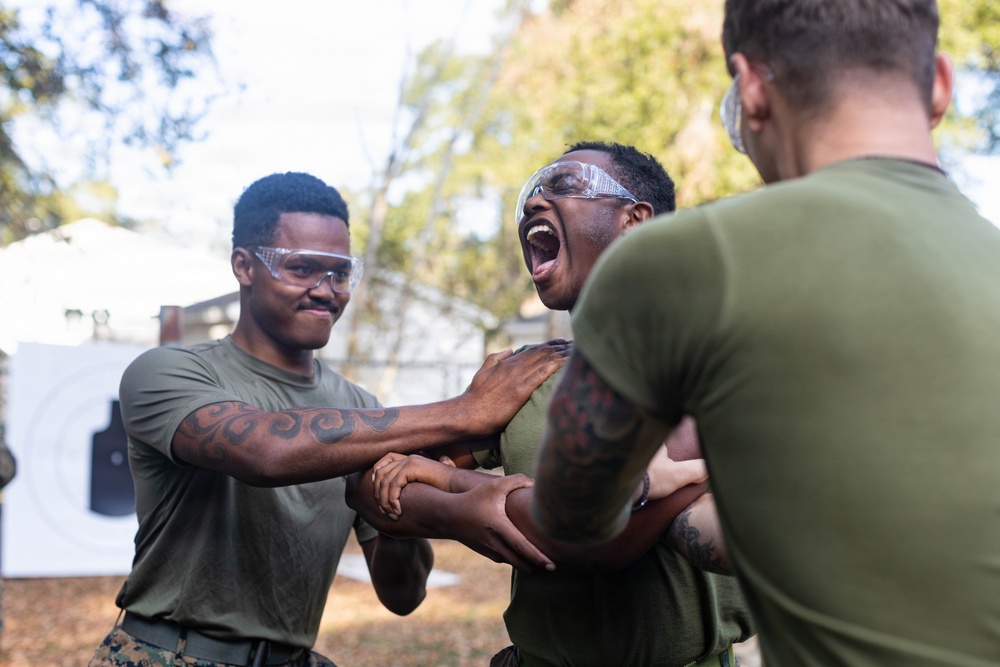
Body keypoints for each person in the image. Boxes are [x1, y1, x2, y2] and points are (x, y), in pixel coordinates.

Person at [530, 2, 1000, 666]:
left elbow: (571, 516)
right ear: (940, 87)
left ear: (750, 88)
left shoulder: (677, 264)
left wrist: (673, 473)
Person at [88, 171, 569, 667]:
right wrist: (466, 412)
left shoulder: (362, 409)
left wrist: (409, 493)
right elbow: (264, 452)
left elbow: (402, 596)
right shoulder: (169, 372)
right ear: (243, 266)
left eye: (339, 274)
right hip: (166, 654)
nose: (326, 290)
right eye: (302, 269)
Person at [346, 143, 754, 667]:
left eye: (564, 184)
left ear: (635, 221)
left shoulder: (714, 360)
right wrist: (467, 502)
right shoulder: (525, 375)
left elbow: (597, 545)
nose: (536, 199)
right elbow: (368, 487)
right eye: (532, 190)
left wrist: (460, 489)